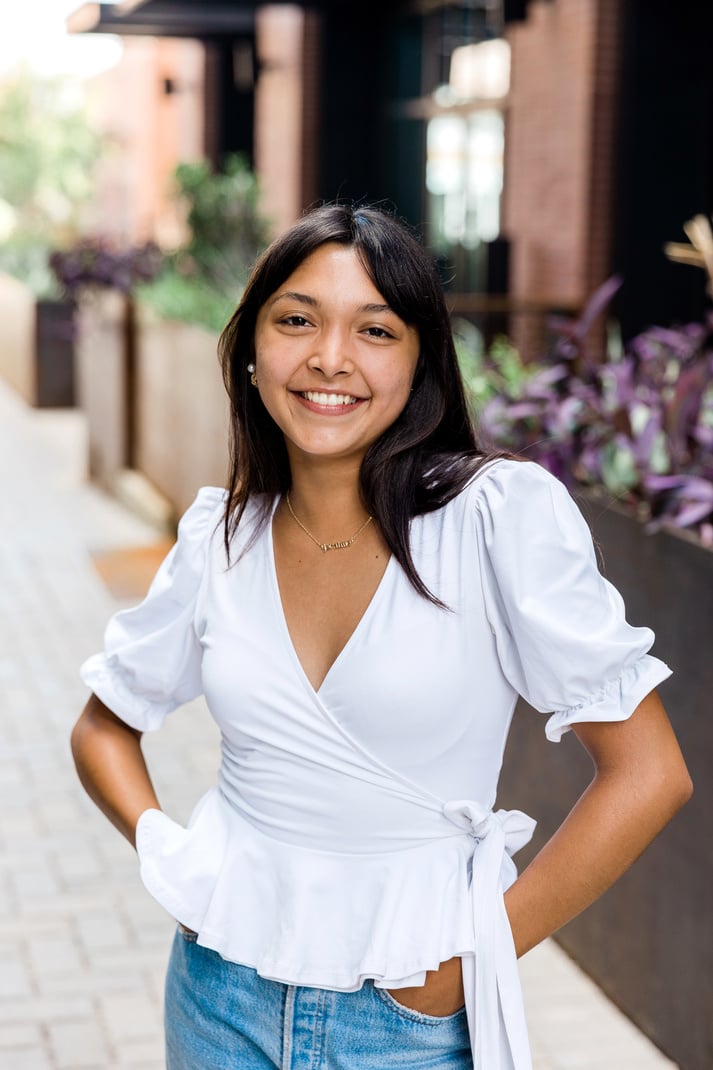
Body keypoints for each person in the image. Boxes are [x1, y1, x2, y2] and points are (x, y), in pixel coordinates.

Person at [71, 204, 692, 1070]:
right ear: (251, 352)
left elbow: (650, 772)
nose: (330, 358)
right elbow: (103, 725)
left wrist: (469, 963)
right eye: (296, 320)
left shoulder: (493, 519)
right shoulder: (221, 535)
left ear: (419, 361)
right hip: (217, 995)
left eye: (375, 329)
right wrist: (171, 859)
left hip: (406, 1022)